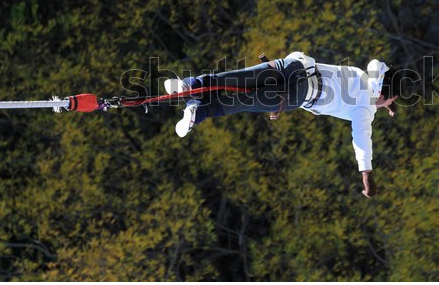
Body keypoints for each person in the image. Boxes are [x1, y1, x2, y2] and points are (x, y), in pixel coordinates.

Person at [164, 52, 398, 199]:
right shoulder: (365, 109)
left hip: (295, 66)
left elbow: (376, 64)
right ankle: (199, 111)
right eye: (390, 100)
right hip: (298, 94)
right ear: (384, 94)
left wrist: (383, 100)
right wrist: (366, 175)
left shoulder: (360, 75)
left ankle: (190, 86)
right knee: (239, 101)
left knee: (235, 77)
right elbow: (361, 139)